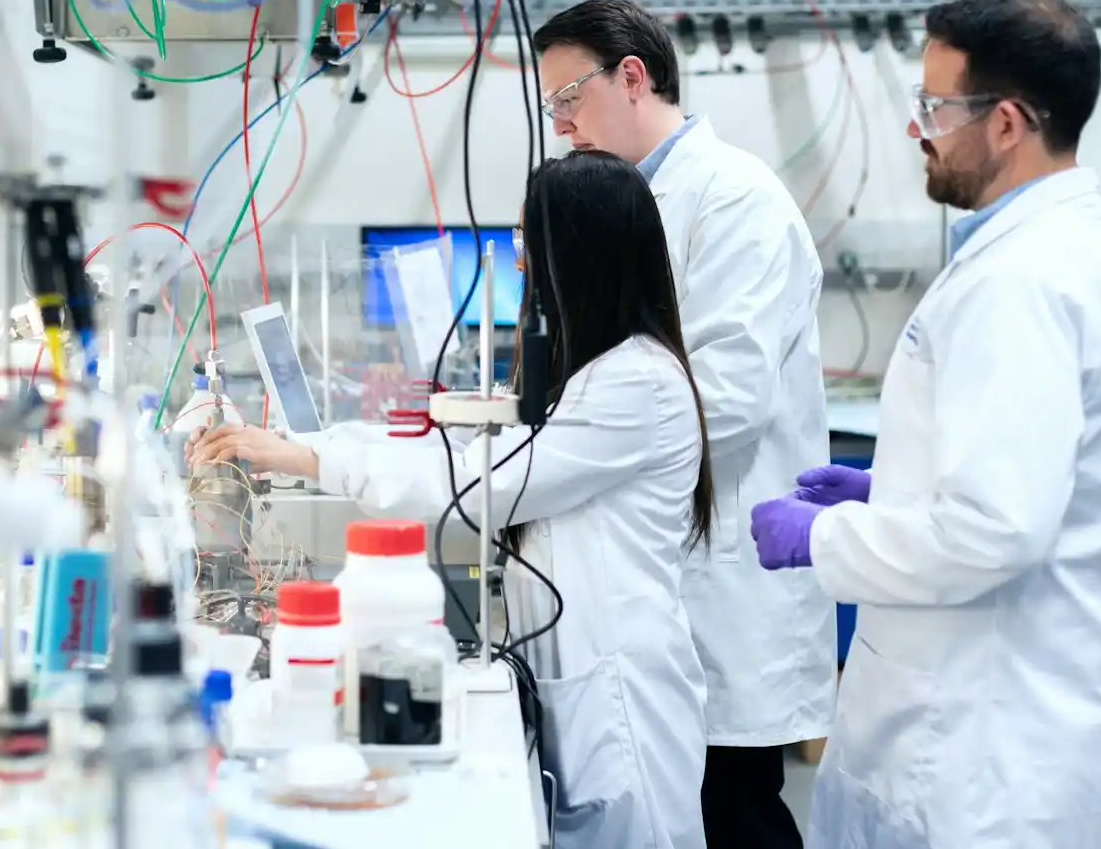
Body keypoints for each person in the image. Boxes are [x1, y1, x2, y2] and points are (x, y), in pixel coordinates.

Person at [191, 152, 713, 849]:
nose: (522, 268)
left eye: (532, 249)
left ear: (581, 258)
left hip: (620, 697)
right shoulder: (600, 372)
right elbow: (476, 462)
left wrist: (310, 456)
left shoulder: (634, 385)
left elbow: (476, 485)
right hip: (587, 676)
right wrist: (315, 445)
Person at [749, 0, 1101, 849]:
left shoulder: (1020, 283)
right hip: (1012, 705)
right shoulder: (1073, 249)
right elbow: (1045, 471)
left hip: (987, 742)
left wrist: (824, 539)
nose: (919, 130)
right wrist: (895, 484)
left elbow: (993, 530)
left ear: (1008, 122)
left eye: (935, 106)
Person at [532, 0, 833, 849]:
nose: (561, 127)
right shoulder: (634, 199)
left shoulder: (736, 199)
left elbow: (728, 398)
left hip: (723, 579)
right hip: (663, 575)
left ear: (632, 76)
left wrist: (569, 456)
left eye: (568, 99)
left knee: (735, 814)